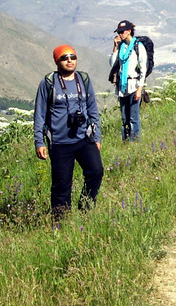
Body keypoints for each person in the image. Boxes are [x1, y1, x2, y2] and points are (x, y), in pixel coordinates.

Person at [34, 44, 104, 219]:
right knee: (62, 185)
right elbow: (39, 113)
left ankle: (85, 209)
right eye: (64, 58)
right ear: (57, 61)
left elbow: (93, 109)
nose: (69, 60)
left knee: (96, 171)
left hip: (84, 139)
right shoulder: (49, 82)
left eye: (72, 57)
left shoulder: (84, 80)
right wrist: (39, 141)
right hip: (59, 142)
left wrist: (97, 136)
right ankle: (60, 222)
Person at [110, 20, 147, 141]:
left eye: (122, 32)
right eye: (119, 32)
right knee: (124, 117)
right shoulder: (121, 47)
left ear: (129, 31)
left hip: (134, 85)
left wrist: (139, 89)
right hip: (122, 86)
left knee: (133, 118)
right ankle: (125, 141)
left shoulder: (138, 47)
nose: (120, 34)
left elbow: (143, 69)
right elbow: (112, 63)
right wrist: (115, 47)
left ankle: (135, 142)